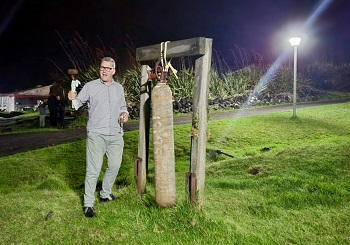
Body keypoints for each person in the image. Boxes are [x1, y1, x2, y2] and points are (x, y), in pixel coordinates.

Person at [68, 57, 129, 218]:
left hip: (116, 134)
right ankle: (88, 204)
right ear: (99, 69)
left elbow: (123, 107)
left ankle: (105, 194)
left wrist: (124, 114)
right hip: (96, 134)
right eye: (103, 67)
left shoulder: (119, 88)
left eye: (108, 68)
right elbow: (76, 104)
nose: (105, 71)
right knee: (93, 170)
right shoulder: (90, 86)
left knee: (114, 166)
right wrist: (72, 97)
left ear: (114, 71)